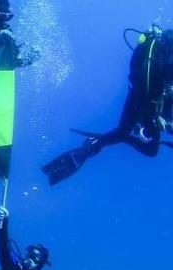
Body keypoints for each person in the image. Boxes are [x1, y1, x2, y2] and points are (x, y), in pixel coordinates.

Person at [43, 25, 173, 185]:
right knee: (123, 132)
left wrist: (166, 120)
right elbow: (147, 86)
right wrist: (156, 115)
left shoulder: (166, 59)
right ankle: (89, 148)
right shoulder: (163, 59)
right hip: (141, 95)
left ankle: (123, 137)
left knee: (150, 149)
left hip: (157, 97)